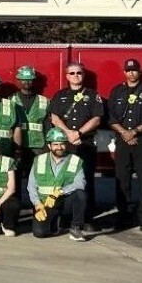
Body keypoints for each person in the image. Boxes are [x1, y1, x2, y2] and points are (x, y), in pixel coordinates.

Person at [47, 62, 103, 230]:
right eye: (72, 73)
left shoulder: (93, 95)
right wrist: (69, 134)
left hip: (85, 143)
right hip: (65, 145)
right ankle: (66, 217)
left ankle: (87, 219)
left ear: (83, 75)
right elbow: (55, 118)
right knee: (64, 181)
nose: (76, 75)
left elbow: (97, 119)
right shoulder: (60, 95)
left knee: (86, 181)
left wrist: (78, 133)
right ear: (67, 76)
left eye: (79, 73)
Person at [106, 58, 142, 231]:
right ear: (124, 72)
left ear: (139, 72)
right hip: (122, 141)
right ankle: (122, 216)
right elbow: (110, 117)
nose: (131, 73)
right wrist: (124, 133)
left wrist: (134, 132)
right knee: (122, 180)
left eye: (134, 70)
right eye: (128, 70)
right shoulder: (116, 91)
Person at [28, 128, 88, 241]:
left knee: (80, 194)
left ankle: (76, 229)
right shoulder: (39, 160)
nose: (59, 147)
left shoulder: (75, 160)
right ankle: (57, 222)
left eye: (62, 144)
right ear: (49, 146)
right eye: (55, 144)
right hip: (46, 204)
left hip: (65, 201)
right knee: (39, 233)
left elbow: (80, 183)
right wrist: (37, 204)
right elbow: (31, 186)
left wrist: (60, 192)